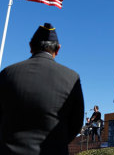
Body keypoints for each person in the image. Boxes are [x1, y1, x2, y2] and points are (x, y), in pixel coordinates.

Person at [0, 23, 84, 155]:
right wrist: (58, 143)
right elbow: (76, 124)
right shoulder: (72, 77)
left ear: (30, 46)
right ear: (58, 49)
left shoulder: (7, 73)